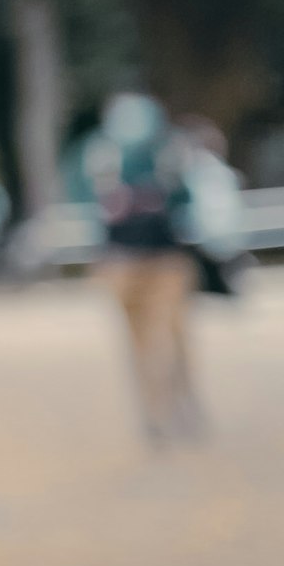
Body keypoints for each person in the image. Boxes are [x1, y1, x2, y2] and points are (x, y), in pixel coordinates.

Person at [88, 89, 206, 446]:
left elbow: (186, 200)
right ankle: (155, 413)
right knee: (145, 343)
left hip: (161, 261)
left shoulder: (164, 152)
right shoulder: (103, 154)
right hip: (126, 262)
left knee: (169, 338)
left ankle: (177, 404)